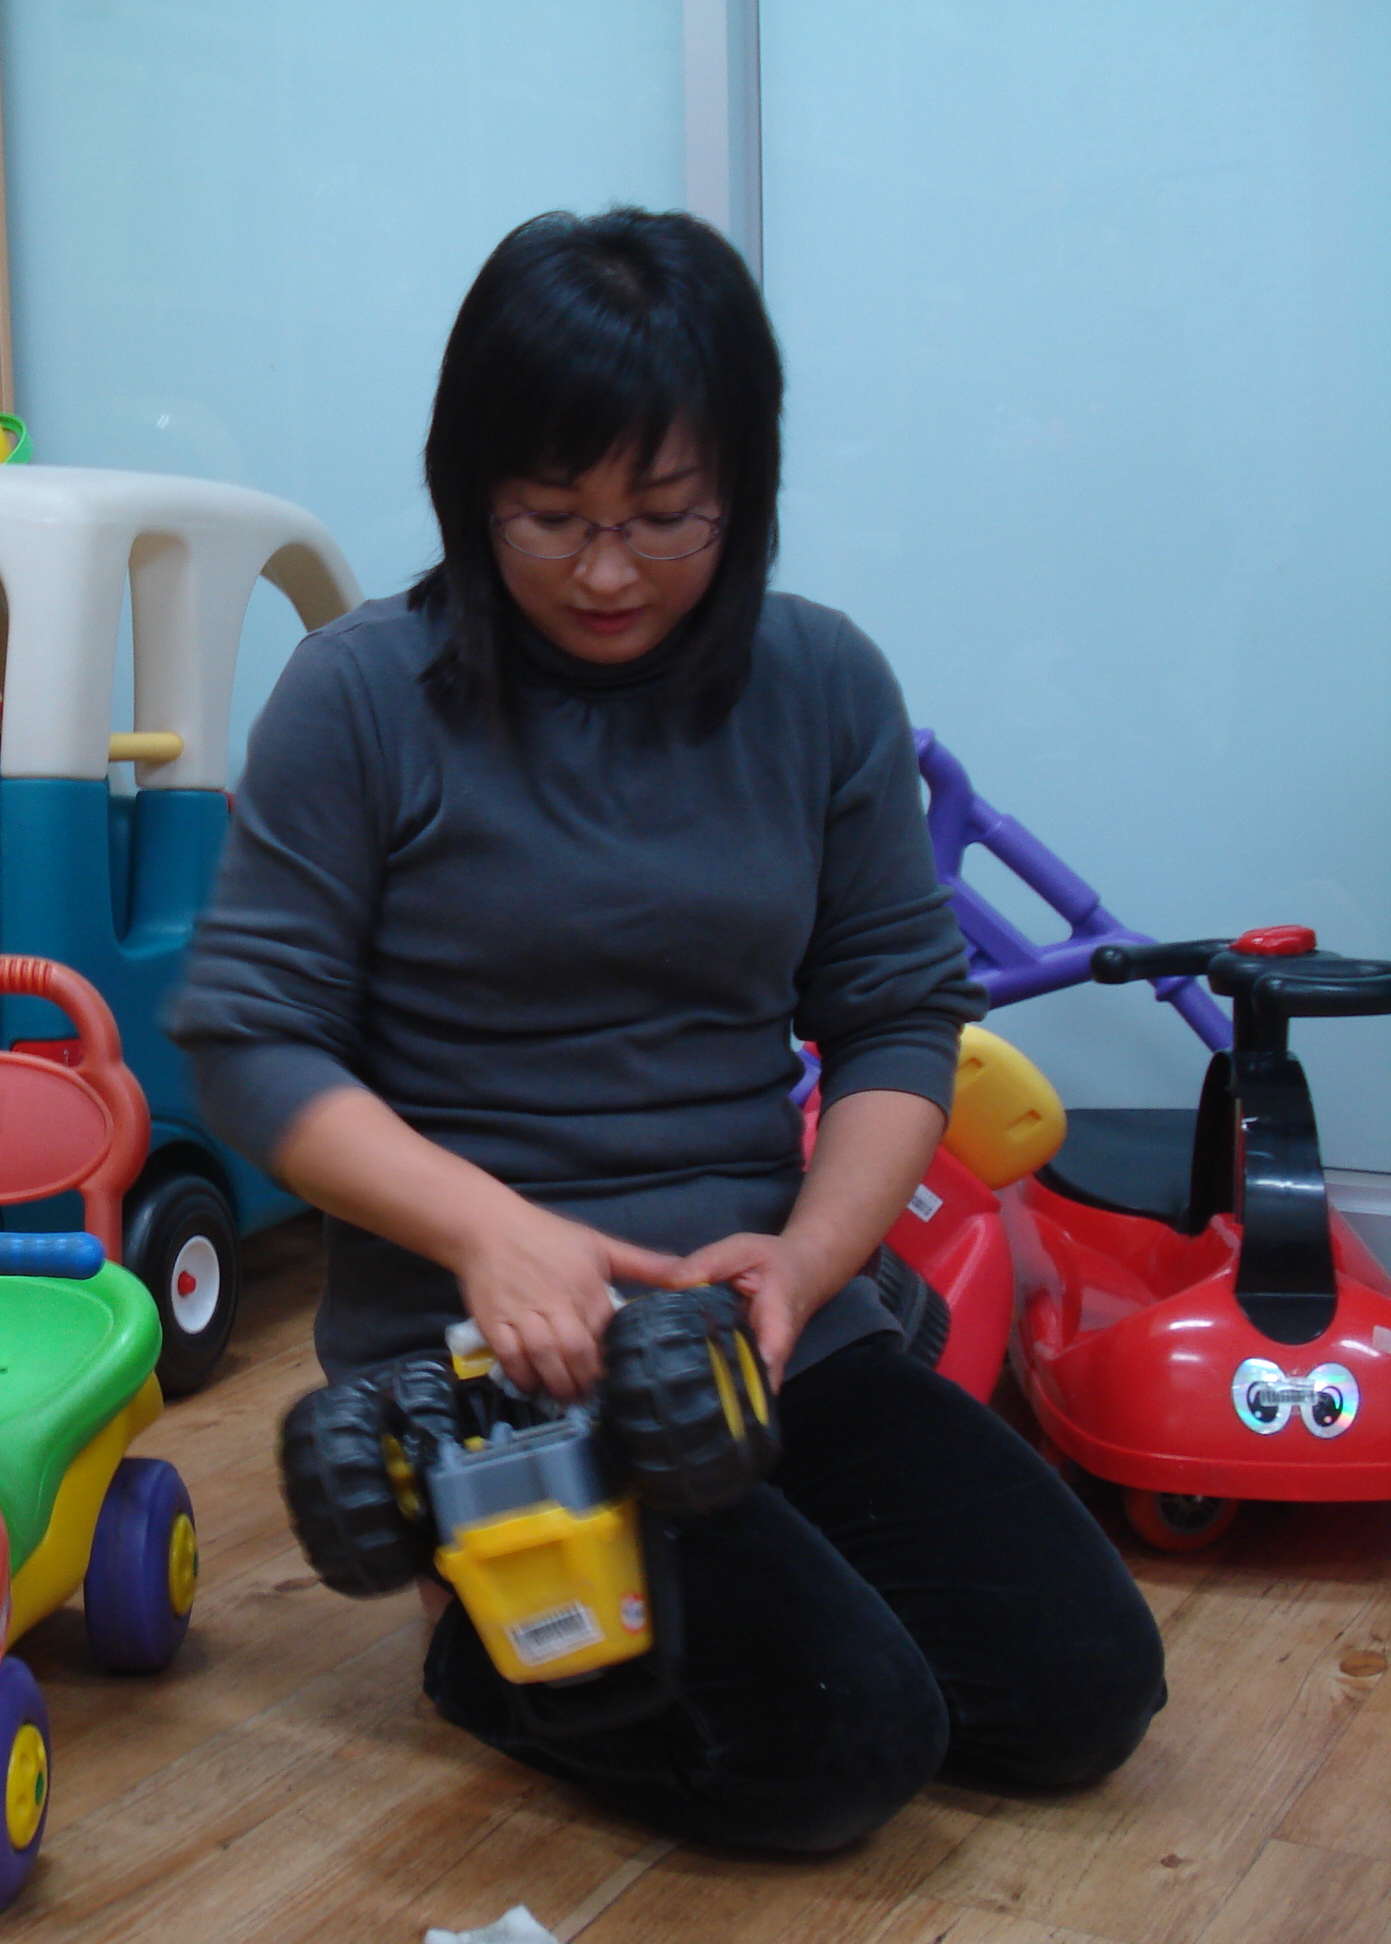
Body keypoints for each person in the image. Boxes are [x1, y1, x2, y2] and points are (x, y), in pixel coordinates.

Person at [167, 210, 1164, 1852]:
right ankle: (479, 1629)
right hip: (501, 1367)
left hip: (752, 1333)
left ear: (742, 491)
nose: (608, 572)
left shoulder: (820, 683)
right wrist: (493, 1236)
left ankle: (679, 1594)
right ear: (469, 486)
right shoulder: (362, 695)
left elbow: (899, 1015)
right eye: (550, 518)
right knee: (844, 1748)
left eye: (665, 518)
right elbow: (251, 1044)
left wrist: (810, 1264)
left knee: (1080, 1694)